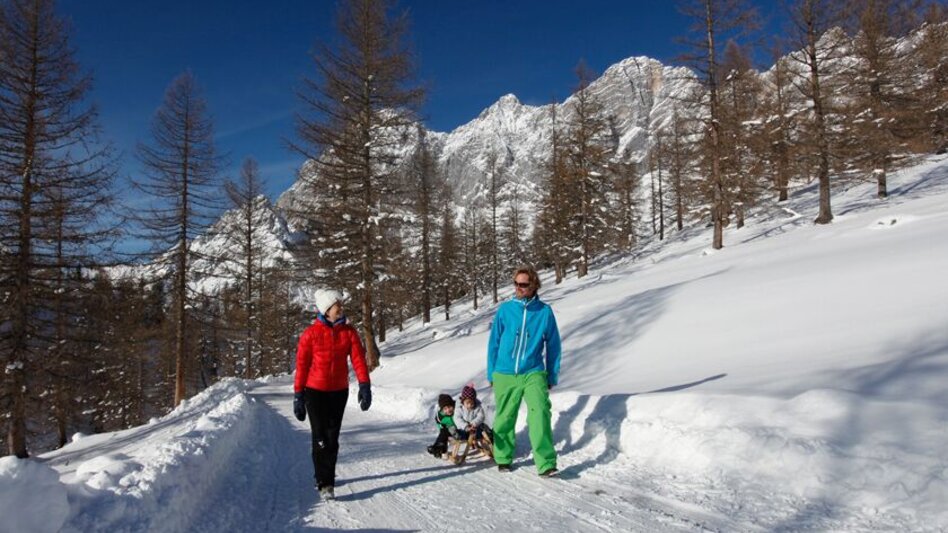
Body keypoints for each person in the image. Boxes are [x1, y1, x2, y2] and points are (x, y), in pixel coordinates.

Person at [293, 289, 372, 500]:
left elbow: (358, 360)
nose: (341, 308)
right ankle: (323, 481)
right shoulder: (310, 334)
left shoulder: (349, 332)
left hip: (338, 392)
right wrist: (298, 395)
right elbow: (302, 365)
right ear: (327, 309)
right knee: (319, 437)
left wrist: (365, 385)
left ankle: (328, 480)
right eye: (337, 305)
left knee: (332, 437)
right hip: (314, 392)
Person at [487, 266, 561, 476]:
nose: (519, 288)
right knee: (505, 417)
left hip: (533, 371)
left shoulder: (544, 312)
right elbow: (494, 343)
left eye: (524, 284)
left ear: (534, 285)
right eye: (516, 284)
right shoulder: (505, 310)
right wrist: (491, 371)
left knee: (540, 414)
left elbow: (553, 344)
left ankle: (546, 463)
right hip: (504, 372)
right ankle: (503, 457)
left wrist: (552, 373)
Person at [455, 383, 493, 456]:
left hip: (475, 427)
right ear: (463, 402)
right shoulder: (459, 408)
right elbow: (457, 419)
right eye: (467, 403)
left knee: (483, 430)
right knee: (460, 434)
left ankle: (490, 440)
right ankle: (461, 437)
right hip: (464, 429)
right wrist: (466, 426)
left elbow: (481, 416)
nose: (470, 405)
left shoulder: (478, 407)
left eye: (472, 403)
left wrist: (474, 423)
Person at [426, 394, 457, 459]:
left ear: (453, 405)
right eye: (445, 409)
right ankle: (438, 448)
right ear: (442, 409)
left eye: (449, 407)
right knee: (443, 432)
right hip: (448, 432)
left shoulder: (457, 411)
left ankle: (440, 448)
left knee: (444, 432)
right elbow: (439, 423)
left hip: (459, 431)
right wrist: (442, 428)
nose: (448, 410)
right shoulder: (441, 416)